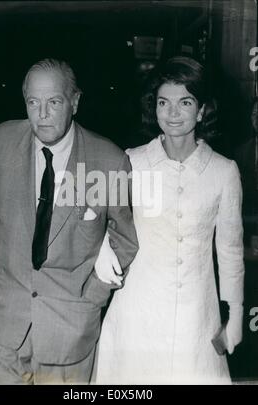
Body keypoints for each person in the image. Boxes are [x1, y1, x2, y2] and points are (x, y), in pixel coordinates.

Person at [0, 58, 138, 384]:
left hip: (69, 333)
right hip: (4, 323)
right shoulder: (1, 141)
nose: (42, 114)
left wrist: (93, 298)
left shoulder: (109, 159)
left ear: (75, 102)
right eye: (33, 102)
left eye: (54, 102)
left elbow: (125, 240)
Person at [95, 56, 244, 384]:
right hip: (137, 314)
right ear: (154, 108)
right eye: (164, 102)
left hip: (197, 319)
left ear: (202, 110)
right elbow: (92, 211)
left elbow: (231, 253)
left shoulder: (224, 171)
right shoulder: (132, 161)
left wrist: (233, 315)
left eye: (185, 102)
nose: (173, 113)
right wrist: (101, 244)